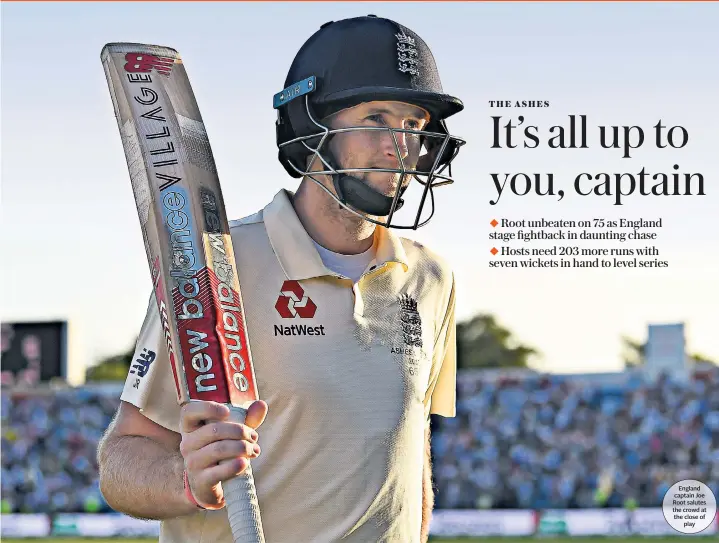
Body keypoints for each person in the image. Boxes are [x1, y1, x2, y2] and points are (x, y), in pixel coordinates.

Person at [97, 14, 465, 543]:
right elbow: (121, 460)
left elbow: (412, 458)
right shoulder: (219, 261)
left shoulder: (432, 277)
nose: (400, 146)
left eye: (414, 125)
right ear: (310, 123)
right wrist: (185, 478)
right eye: (376, 117)